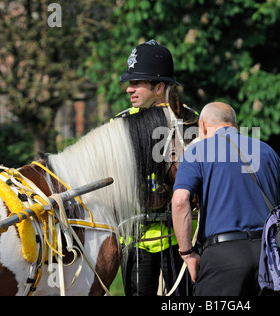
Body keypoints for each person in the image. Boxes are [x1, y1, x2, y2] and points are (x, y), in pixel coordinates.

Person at [171, 102, 280, 296]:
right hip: (269, 257)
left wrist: (187, 254)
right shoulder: (268, 152)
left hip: (222, 258)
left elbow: (179, 201)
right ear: (235, 126)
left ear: (202, 126)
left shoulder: (197, 152)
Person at [114, 39, 198, 296]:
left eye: (137, 82)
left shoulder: (189, 120)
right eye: (130, 83)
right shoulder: (120, 123)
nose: (130, 89)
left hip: (178, 238)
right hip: (134, 240)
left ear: (159, 86)